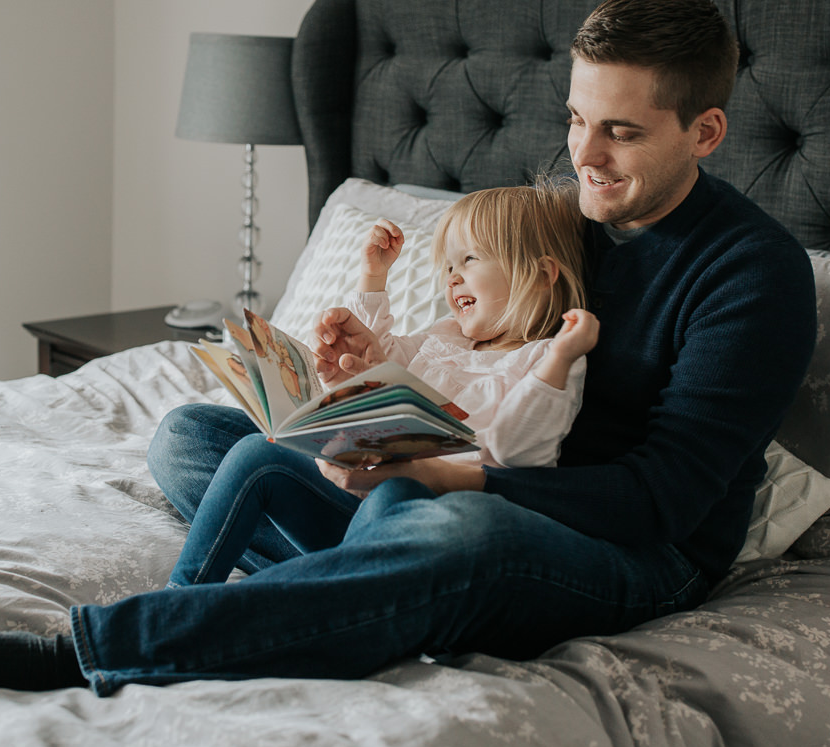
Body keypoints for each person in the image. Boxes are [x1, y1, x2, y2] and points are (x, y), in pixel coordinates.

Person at [0, 0, 818, 697]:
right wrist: (374, 397)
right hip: (447, 473)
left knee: (455, 530)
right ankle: (370, 588)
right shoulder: (556, 223)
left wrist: (452, 478)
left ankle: (86, 652)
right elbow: (471, 346)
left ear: (707, 131)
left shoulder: (755, 276)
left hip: (628, 546)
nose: (584, 158)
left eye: (620, 133)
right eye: (574, 120)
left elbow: (664, 499)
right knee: (196, 439)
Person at [162, 180, 599, 589]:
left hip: (410, 515)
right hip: (350, 493)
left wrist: (559, 358)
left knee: (261, 455)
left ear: (542, 274)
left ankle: (185, 598)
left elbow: (517, 452)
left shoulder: (548, 361)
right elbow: (382, 360)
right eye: (448, 265)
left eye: (469, 260)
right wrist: (373, 281)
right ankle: (329, 578)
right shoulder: (446, 335)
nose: (452, 277)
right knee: (185, 432)